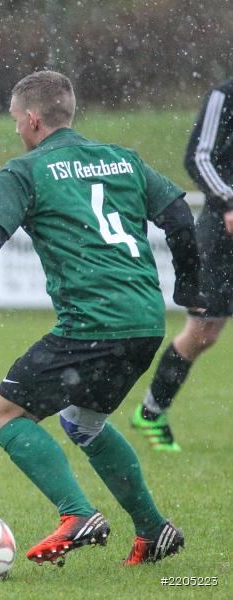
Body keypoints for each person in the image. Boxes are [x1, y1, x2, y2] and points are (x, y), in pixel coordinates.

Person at [0, 70, 203, 566]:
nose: (14, 130)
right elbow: (178, 216)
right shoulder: (122, 159)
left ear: (31, 119)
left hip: (92, 324)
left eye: (14, 121)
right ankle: (154, 531)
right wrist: (189, 287)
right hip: (144, 321)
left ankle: (77, 513)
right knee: (84, 422)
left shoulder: (24, 171)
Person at [131, 76, 233, 452]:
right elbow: (198, 156)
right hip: (223, 233)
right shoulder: (226, 96)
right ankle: (151, 411)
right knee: (204, 332)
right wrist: (228, 201)